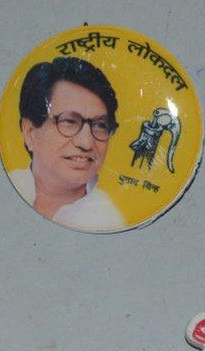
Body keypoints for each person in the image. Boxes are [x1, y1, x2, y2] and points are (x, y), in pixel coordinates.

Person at [10, 56, 125, 231]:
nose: (86, 143)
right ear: (30, 132)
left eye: (100, 125)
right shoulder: (0, 189)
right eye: (69, 121)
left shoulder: (110, 220)